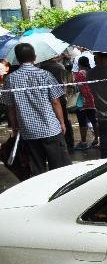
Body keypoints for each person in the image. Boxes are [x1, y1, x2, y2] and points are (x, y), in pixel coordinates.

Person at [0, 43, 72, 175]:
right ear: (34, 57)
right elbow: (55, 101)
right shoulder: (45, 75)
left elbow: (10, 107)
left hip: (28, 131)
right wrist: (62, 122)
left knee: (36, 171)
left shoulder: (10, 79)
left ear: (17, 58)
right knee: (61, 169)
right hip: (51, 129)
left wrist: (15, 128)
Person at [39, 56, 75, 151]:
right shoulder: (59, 67)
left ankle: (54, 143)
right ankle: (69, 143)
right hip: (60, 96)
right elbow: (65, 81)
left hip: (45, 98)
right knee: (64, 119)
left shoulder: (41, 68)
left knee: (49, 118)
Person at [73, 56, 100, 149]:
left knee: (82, 122)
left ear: (79, 64)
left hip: (82, 102)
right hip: (93, 100)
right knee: (94, 120)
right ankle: (97, 139)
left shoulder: (80, 74)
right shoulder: (92, 72)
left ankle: (83, 142)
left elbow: (78, 88)